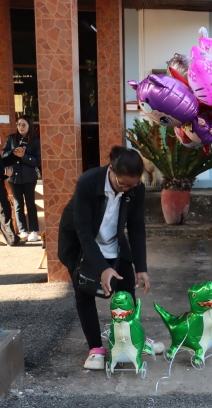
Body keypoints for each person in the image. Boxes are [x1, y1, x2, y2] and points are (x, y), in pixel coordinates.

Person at [58, 146, 152, 370]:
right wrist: (102, 268)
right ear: (111, 169)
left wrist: (141, 266)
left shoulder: (135, 188)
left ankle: (129, 337)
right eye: (123, 184)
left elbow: (136, 227)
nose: (127, 189)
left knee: (126, 287)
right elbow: (83, 231)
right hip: (80, 243)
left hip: (113, 241)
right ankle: (96, 349)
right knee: (84, 292)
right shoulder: (88, 182)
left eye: (132, 185)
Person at [2, 115, 41, 242]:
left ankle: (34, 231)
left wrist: (24, 156)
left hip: (29, 177)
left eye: (24, 125)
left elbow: (37, 161)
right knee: (18, 204)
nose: (21, 127)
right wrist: (14, 152)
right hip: (14, 177)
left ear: (29, 126)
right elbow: (4, 153)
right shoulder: (11, 138)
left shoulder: (35, 141)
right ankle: (22, 230)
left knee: (30, 203)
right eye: (19, 124)